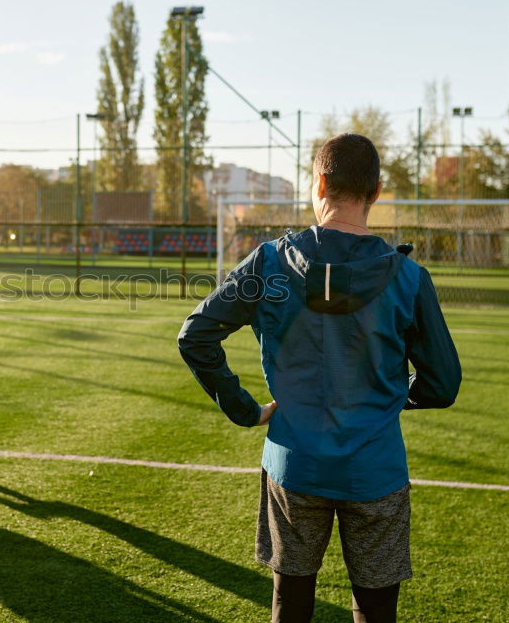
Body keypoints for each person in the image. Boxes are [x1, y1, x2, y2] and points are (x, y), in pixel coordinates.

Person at [178, 133, 461, 623]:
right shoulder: (410, 277)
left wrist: (247, 409)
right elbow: (443, 384)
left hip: (294, 462)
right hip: (375, 466)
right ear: (375, 191)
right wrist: (390, 397)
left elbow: (195, 335)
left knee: (290, 605)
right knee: (376, 610)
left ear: (321, 182)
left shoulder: (269, 262)